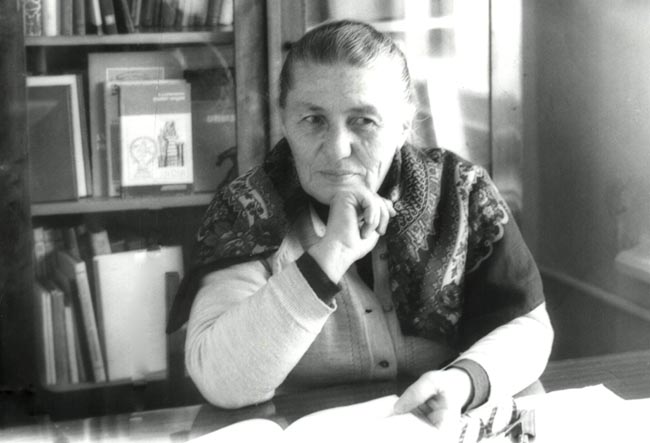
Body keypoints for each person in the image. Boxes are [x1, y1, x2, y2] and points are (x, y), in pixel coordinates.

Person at [166, 19, 553, 434]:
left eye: (364, 121)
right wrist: (328, 257)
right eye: (313, 119)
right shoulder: (245, 210)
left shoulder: (460, 192)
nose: (337, 149)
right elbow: (221, 381)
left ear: (404, 124)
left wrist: (462, 382)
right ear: (284, 120)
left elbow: (527, 329)